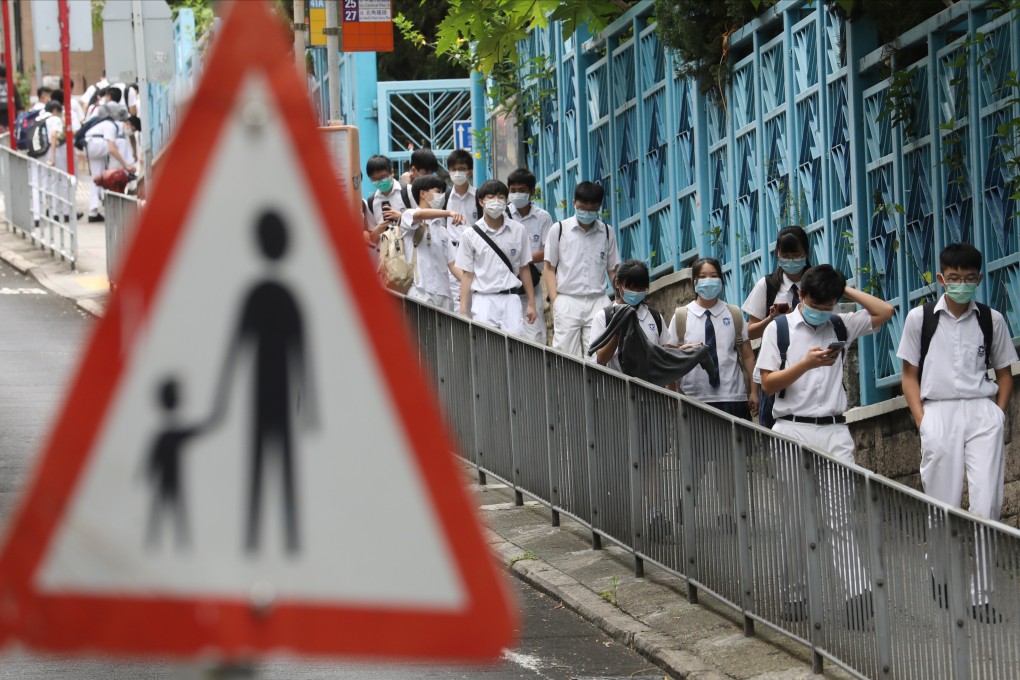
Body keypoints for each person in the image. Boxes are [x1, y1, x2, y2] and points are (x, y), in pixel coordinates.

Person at [758, 264, 894, 630]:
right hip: (791, 428)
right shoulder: (780, 329)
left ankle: (856, 593)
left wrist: (845, 291)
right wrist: (805, 364)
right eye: (815, 301)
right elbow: (768, 385)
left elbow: (885, 312)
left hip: (834, 429)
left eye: (828, 303)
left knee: (840, 516)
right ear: (800, 296)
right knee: (795, 519)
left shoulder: (839, 323)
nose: (821, 308)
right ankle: (794, 592)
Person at [897, 243, 1016, 622]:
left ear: (979, 279)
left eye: (968, 279)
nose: (961, 285)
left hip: (982, 413)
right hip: (939, 412)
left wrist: (996, 415)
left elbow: (1004, 374)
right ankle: (940, 573)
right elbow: (909, 376)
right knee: (943, 502)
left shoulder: (991, 319)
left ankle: (982, 595)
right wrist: (923, 421)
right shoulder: (920, 319)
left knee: (987, 505)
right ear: (941, 278)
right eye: (954, 279)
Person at [669, 257, 757, 418]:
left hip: (733, 397)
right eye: (702, 277)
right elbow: (669, 360)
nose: (708, 281)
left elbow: (747, 356)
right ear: (693, 281)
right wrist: (672, 395)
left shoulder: (734, 314)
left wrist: (754, 391)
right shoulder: (681, 316)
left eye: (713, 276)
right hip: (693, 398)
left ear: (721, 280)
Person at [742, 225, 812, 426]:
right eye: (785, 255)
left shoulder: (816, 283)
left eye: (796, 255)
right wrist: (771, 319)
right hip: (775, 370)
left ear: (806, 253)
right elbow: (750, 331)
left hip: (810, 367)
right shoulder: (768, 285)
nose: (790, 261)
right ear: (778, 255)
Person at [544, 181, 621, 357]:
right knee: (565, 355)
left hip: (598, 300)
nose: (586, 212)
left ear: (599, 207)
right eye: (582, 207)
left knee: (598, 354)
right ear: (574, 203)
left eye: (592, 209)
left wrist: (619, 299)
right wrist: (556, 301)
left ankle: (596, 386)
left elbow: (612, 269)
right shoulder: (559, 229)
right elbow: (549, 268)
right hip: (567, 298)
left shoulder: (607, 232)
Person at [455, 179, 537, 336]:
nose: (496, 201)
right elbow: (467, 274)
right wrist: (463, 311)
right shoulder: (470, 235)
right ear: (481, 201)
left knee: (515, 346)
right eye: (491, 197)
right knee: (486, 347)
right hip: (483, 300)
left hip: (511, 298)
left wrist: (531, 303)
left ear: (506, 201)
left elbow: (524, 267)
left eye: (501, 197)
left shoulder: (518, 230)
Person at [397, 174, 465, 311]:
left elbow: (452, 264)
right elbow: (420, 215)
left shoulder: (443, 231)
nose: (441, 196)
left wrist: (469, 285)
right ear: (422, 193)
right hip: (420, 291)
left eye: (442, 192)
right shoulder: (408, 216)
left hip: (444, 294)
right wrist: (449, 213)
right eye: (437, 191)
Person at [507, 168, 553, 344]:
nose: (517, 194)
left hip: (533, 281)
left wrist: (523, 260)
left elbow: (549, 251)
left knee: (535, 331)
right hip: (507, 282)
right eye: (513, 190)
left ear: (532, 191)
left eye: (522, 190)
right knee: (511, 331)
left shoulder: (543, 218)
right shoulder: (502, 215)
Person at [83, 109, 136, 222]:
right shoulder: (111, 127)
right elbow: (112, 149)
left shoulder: (110, 127)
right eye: (133, 128)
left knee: (96, 178)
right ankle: (127, 173)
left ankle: (93, 211)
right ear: (127, 123)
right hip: (95, 145)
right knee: (120, 145)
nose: (131, 131)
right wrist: (125, 165)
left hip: (90, 145)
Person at [443, 148, 479, 302]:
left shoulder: (479, 196)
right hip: (452, 254)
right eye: (454, 169)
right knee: (456, 302)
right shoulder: (444, 198)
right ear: (449, 171)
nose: (457, 173)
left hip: (475, 252)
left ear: (470, 172)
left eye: (462, 169)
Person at [364, 154, 416, 245]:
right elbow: (372, 239)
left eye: (383, 177)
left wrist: (401, 217)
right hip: (387, 254)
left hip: (411, 251)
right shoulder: (371, 202)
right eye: (375, 179)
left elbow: (422, 219)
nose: (380, 182)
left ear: (392, 173)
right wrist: (377, 231)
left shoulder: (408, 191)